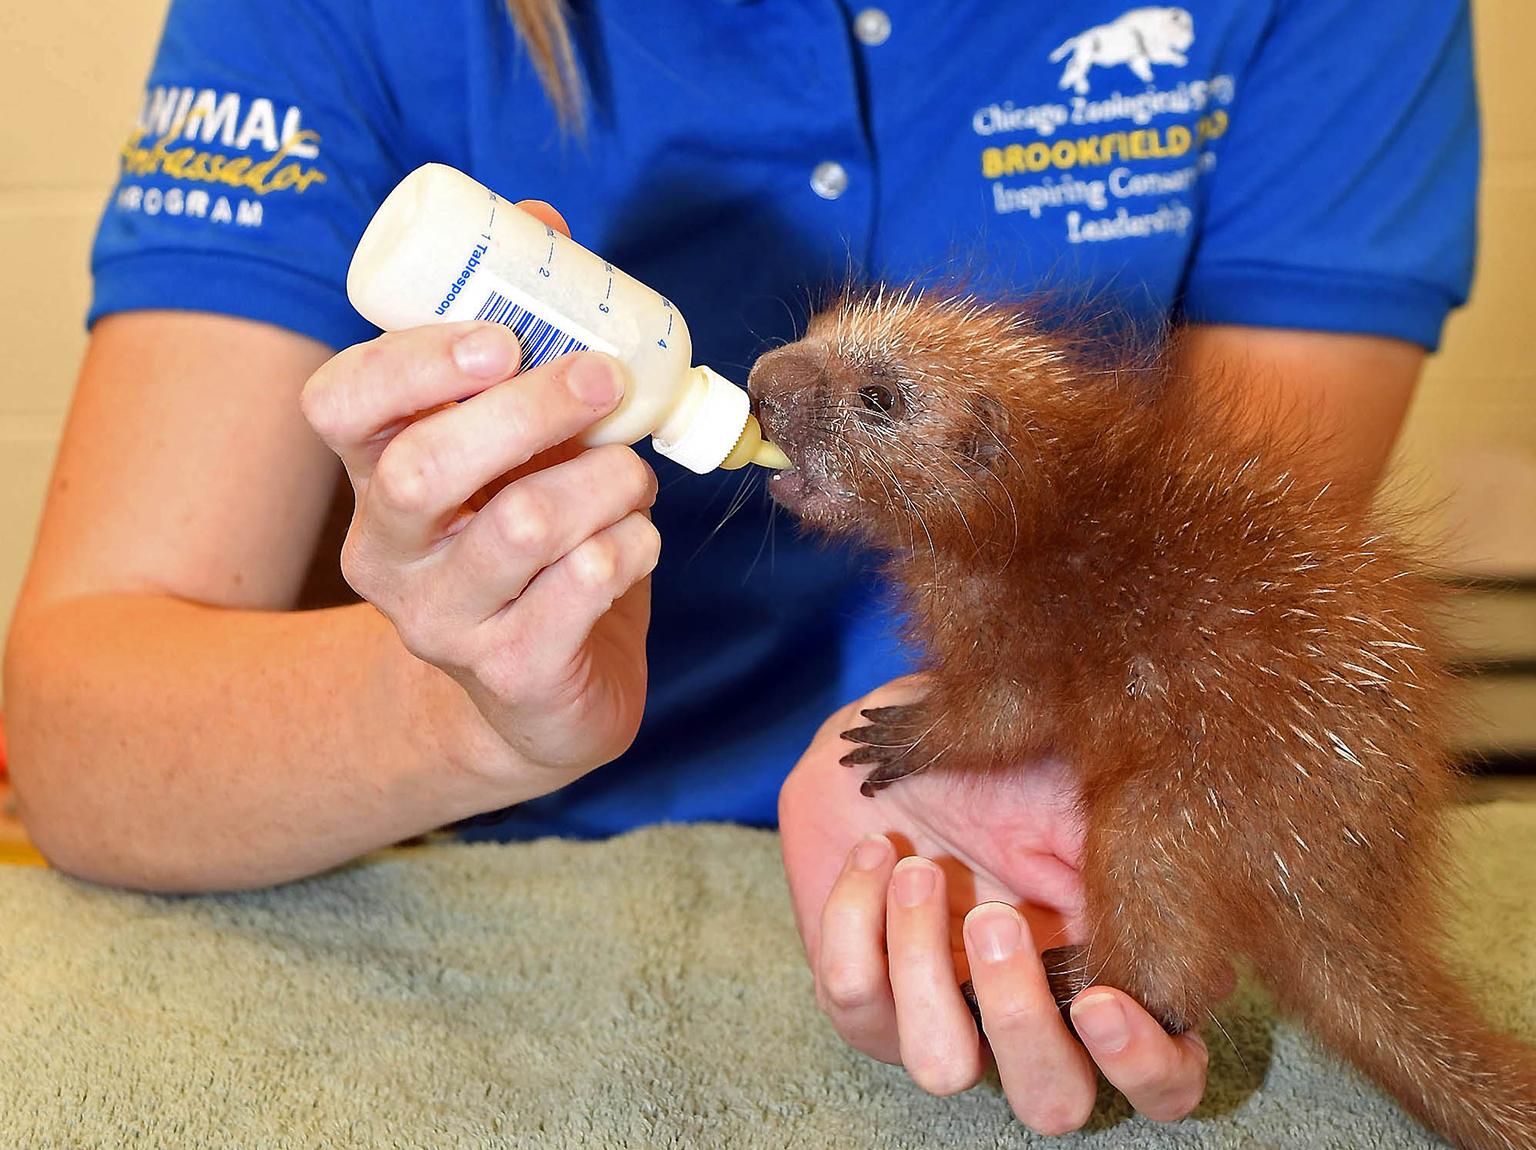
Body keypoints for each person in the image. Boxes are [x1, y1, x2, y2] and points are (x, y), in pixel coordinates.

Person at [2, 0, 1477, 1134]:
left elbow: (1241, 614)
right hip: (507, 904)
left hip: (1030, 775)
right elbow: (77, 735)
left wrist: (1028, 768)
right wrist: (454, 704)